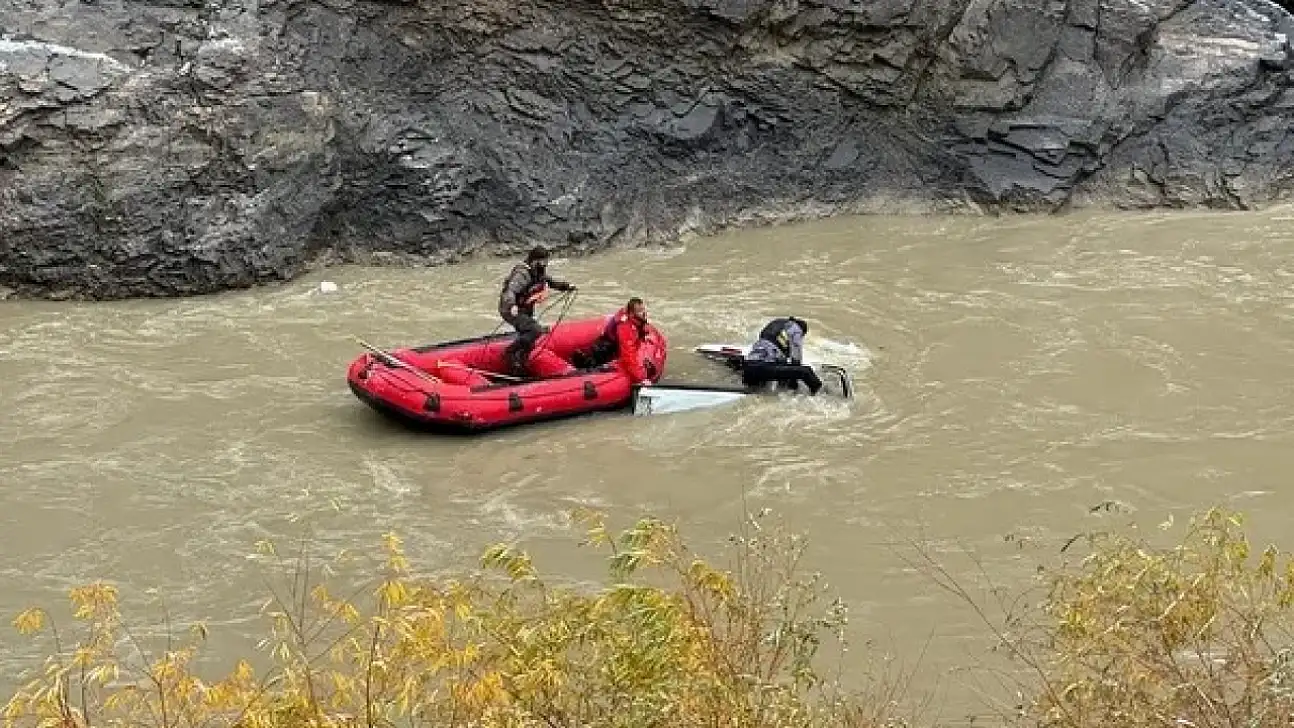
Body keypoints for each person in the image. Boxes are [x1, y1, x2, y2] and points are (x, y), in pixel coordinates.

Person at [497, 245, 576, 377]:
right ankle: (510, 352)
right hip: (512, 309)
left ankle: (519, 363)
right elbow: (510, 291)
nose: (545, 264)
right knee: (535, 330)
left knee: (530, 341)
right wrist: (512, 306)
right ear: (534, 260)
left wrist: (566, 286)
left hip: (524, 309)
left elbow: (550, 282)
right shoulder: (522, 274)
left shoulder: (538, 272)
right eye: (543, 261)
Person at [741, 316, 823, 395]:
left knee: (782, 366)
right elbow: (796, 360)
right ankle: (822, 394)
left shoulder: (776, 323)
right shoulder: (796, 328)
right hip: (763, 367)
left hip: (749, 367)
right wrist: (794, 386)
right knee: (805, 371)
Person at [604, 297, 655, 384]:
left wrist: (644, 334)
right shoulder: (625, 328)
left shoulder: (634, 318)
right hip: (606, 351)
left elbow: (643, 328)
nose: (643, 313)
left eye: (643, 309)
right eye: (639, 311)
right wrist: (641, 378)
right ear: (631, 314)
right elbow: (628, 355)